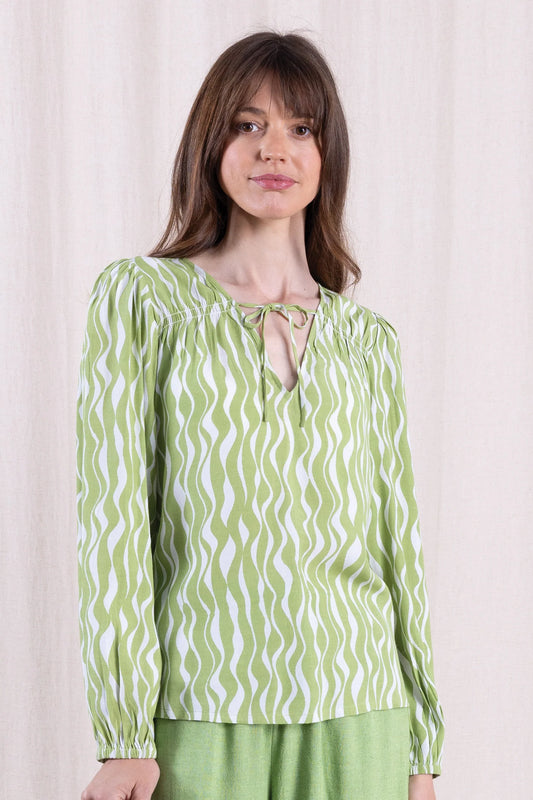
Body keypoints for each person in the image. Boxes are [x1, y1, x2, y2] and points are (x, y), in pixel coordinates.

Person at [76, 30, 444, 800]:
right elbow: (113, 523)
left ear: (325, 154)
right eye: (248, 125)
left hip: (360, 709)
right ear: (210, 144)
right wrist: (124, 735)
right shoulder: (144, 302)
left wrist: (419, 750)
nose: (274, 149)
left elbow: (396, 550)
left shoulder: (367, 341)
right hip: (203, 706)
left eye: (300, 129)